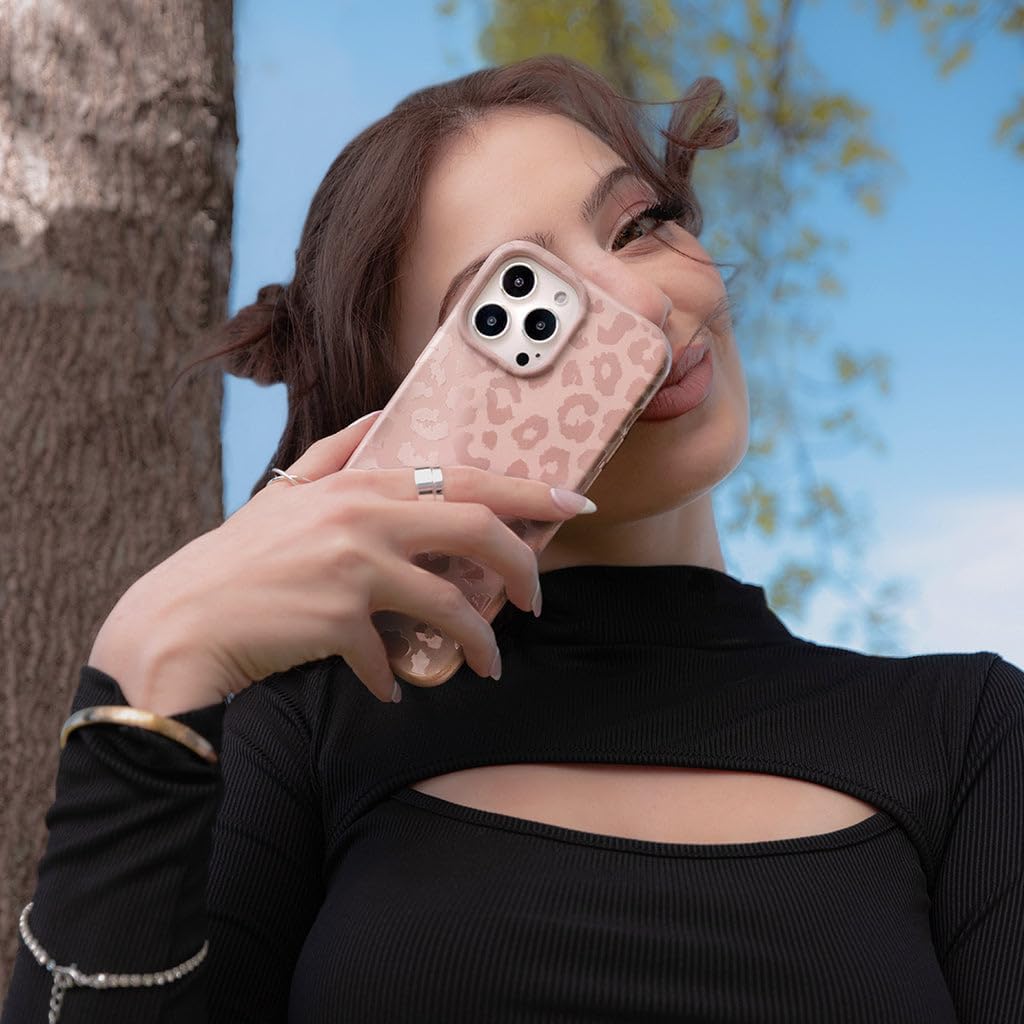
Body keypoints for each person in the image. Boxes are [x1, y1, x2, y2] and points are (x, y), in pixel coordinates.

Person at [3, 53, 1021, 1023]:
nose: (642, 305)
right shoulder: (306, 737)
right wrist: (152, 653)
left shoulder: (969, 732)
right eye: (517, 309)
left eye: (639, 226)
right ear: (409, 417)